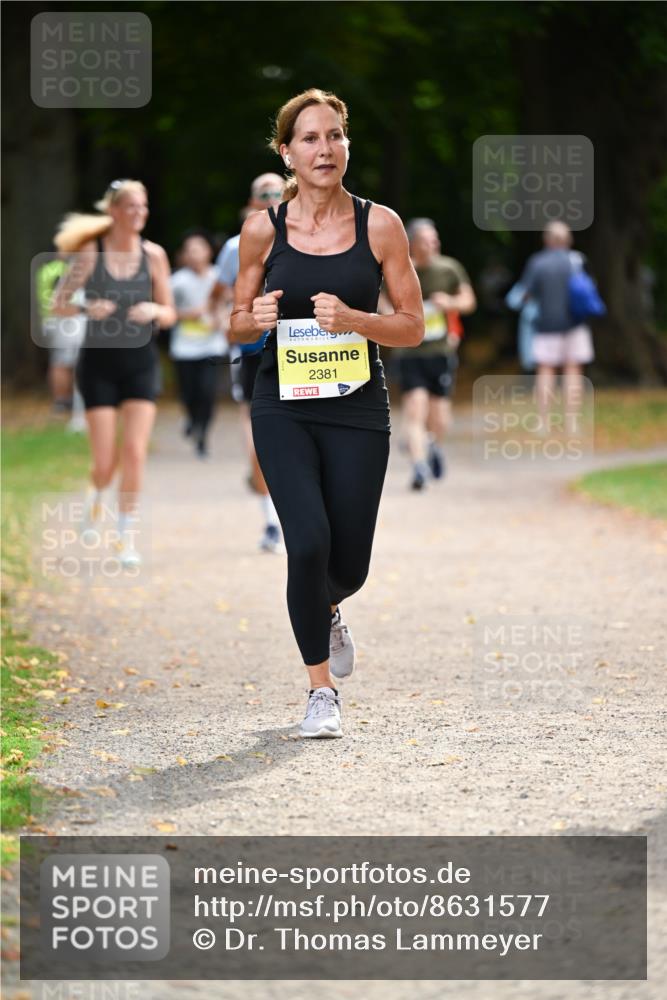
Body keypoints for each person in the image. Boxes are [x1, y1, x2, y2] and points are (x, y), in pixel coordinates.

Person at [229, 88, 423, 739]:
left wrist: (354, 320)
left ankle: (331, 606)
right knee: (306, 543)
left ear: (346, 145)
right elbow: (232, 323)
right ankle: (320, 692)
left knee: (350, 565)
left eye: (334, 136)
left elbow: (412, 327)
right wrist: (249, 321)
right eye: (310, 138)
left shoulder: (380, 225)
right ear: (286, 151)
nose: (325, 149)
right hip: (280, 405)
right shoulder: (262, 228)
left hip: (356, 408)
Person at [53, 179, 176, 566]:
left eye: (144, 206)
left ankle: (124, 537)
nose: (139, 213)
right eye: (131, 207)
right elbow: (59, 305)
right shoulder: (92, 252)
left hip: (140, 365)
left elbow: (170, 312)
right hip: (99, 366)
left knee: (135, 452)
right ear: (114, 211)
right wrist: (87, 308)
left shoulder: (153, 255)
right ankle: (94, 499)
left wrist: (155, 312)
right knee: (105, 462)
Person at [212, 174, 286, 551]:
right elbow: (218, 293)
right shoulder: (234, 246)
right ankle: (270, 519)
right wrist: (227, 319)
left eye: (278, 192)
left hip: (296, 350)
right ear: (252, 201)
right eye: (264, 194)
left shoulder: (306, 235)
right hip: (252, 349)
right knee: (259, 443)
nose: (272, 198)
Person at [393, 218, 476, 490]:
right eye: (427, 240)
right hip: (410, 352)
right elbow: (382, 299)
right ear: (413, 244)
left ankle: (435, 446)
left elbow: (469, 301)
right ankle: (418, 467)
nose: (433, 245)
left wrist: (450, 302)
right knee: (415, 407)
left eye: (435, 239)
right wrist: (388, 314)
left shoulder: (449, 269)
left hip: (440, 352)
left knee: (439, 415)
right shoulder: (400, 269)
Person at [519, 220, 595, 433]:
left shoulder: (537, 263)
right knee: (573, 372)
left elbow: (526, 294)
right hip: (576, 325)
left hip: (546, 327)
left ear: (547, 240)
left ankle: (543, 422)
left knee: (545, 372)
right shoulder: (577, 260)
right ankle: (571, 423)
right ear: (568, 240)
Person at [169, 233, 226, 459]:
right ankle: (192, 419)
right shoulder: (176, 281)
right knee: (188, 392)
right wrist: (188, 314)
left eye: (198, 249)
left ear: (208, 252)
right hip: (184, 347)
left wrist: (220, 318)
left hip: (213, 345)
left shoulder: (218, 277)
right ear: (184, 255)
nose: (194, 254)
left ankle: (202, 435)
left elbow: (229, 303)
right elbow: (167, 311)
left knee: (208, 392)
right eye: (189, 250)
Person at [36, 254, 87, 428]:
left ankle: (63, 402)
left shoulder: (46, 269)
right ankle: (69, 404)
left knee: (60, 362)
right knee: (66, 364)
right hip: (69, 323)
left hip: (53, 322)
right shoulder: (71, 268)